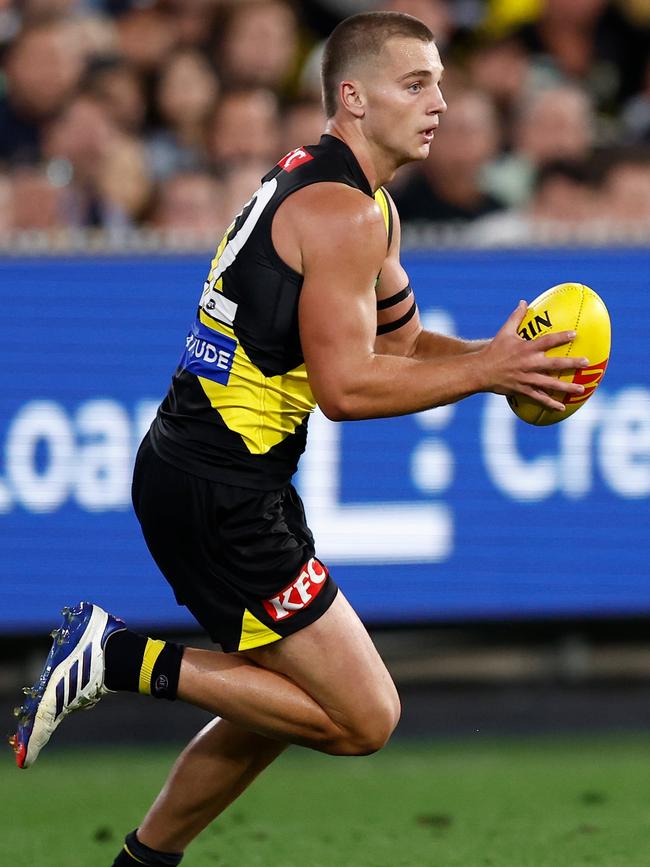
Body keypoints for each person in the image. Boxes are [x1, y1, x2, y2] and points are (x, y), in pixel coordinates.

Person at [10, 11, 589, 867]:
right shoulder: (343, 214)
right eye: (415, 84)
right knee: (365, 717)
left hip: (213, 475)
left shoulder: (358, 201)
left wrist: (504, 359)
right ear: (352, 98)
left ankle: (140, 861)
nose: (439, 102)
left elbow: (397, 346)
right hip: (219, 489)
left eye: (439, 81)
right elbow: (348, 388)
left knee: (282, 705)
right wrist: (486, 373)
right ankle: (118, 655)